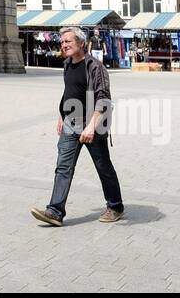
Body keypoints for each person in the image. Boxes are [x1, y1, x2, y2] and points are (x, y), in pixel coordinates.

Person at [30, 27, 125, 227]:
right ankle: (55, 212)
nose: (64, 45)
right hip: (70, 124)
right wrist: (60, 115)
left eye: (68, 41)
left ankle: (115, 206)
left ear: (81, 43)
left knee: (103, 166)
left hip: (92, 125)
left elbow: (103, 98)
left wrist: (91, 126)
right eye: (62, 42)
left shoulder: (95, 66)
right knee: (63, 167)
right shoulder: (67, 64)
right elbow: (69, 92)